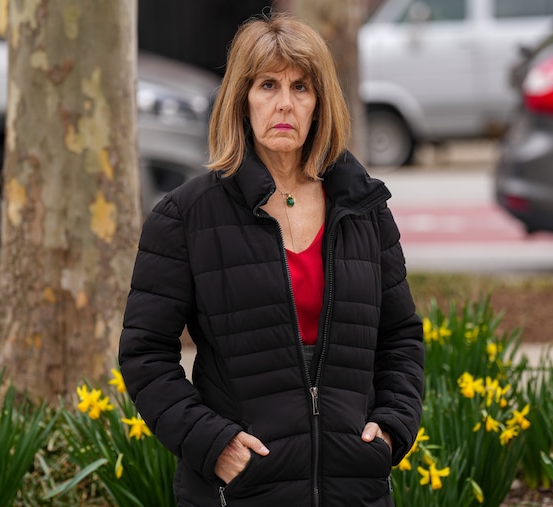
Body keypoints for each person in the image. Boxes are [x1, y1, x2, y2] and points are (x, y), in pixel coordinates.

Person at [119, 11, 424, 507]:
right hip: (240, 490)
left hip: (354, 487)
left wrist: (392, 427)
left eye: (301, 87)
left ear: (320, 103)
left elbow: (401, 336)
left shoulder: (363, 207)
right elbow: (144, 354)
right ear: (242, 99)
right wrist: (212, 444)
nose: (285, 103)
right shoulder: (186, 216)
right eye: (267, 85)